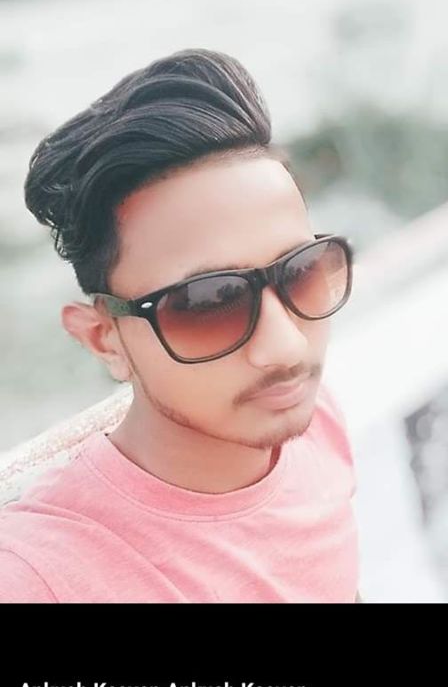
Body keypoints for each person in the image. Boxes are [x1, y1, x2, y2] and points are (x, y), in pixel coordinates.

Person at [0, 48, 362, 603]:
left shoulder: (316, 421)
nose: (286, 347)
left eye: (302, 271)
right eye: (208, 302)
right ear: (104, 339)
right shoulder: (41, 575)